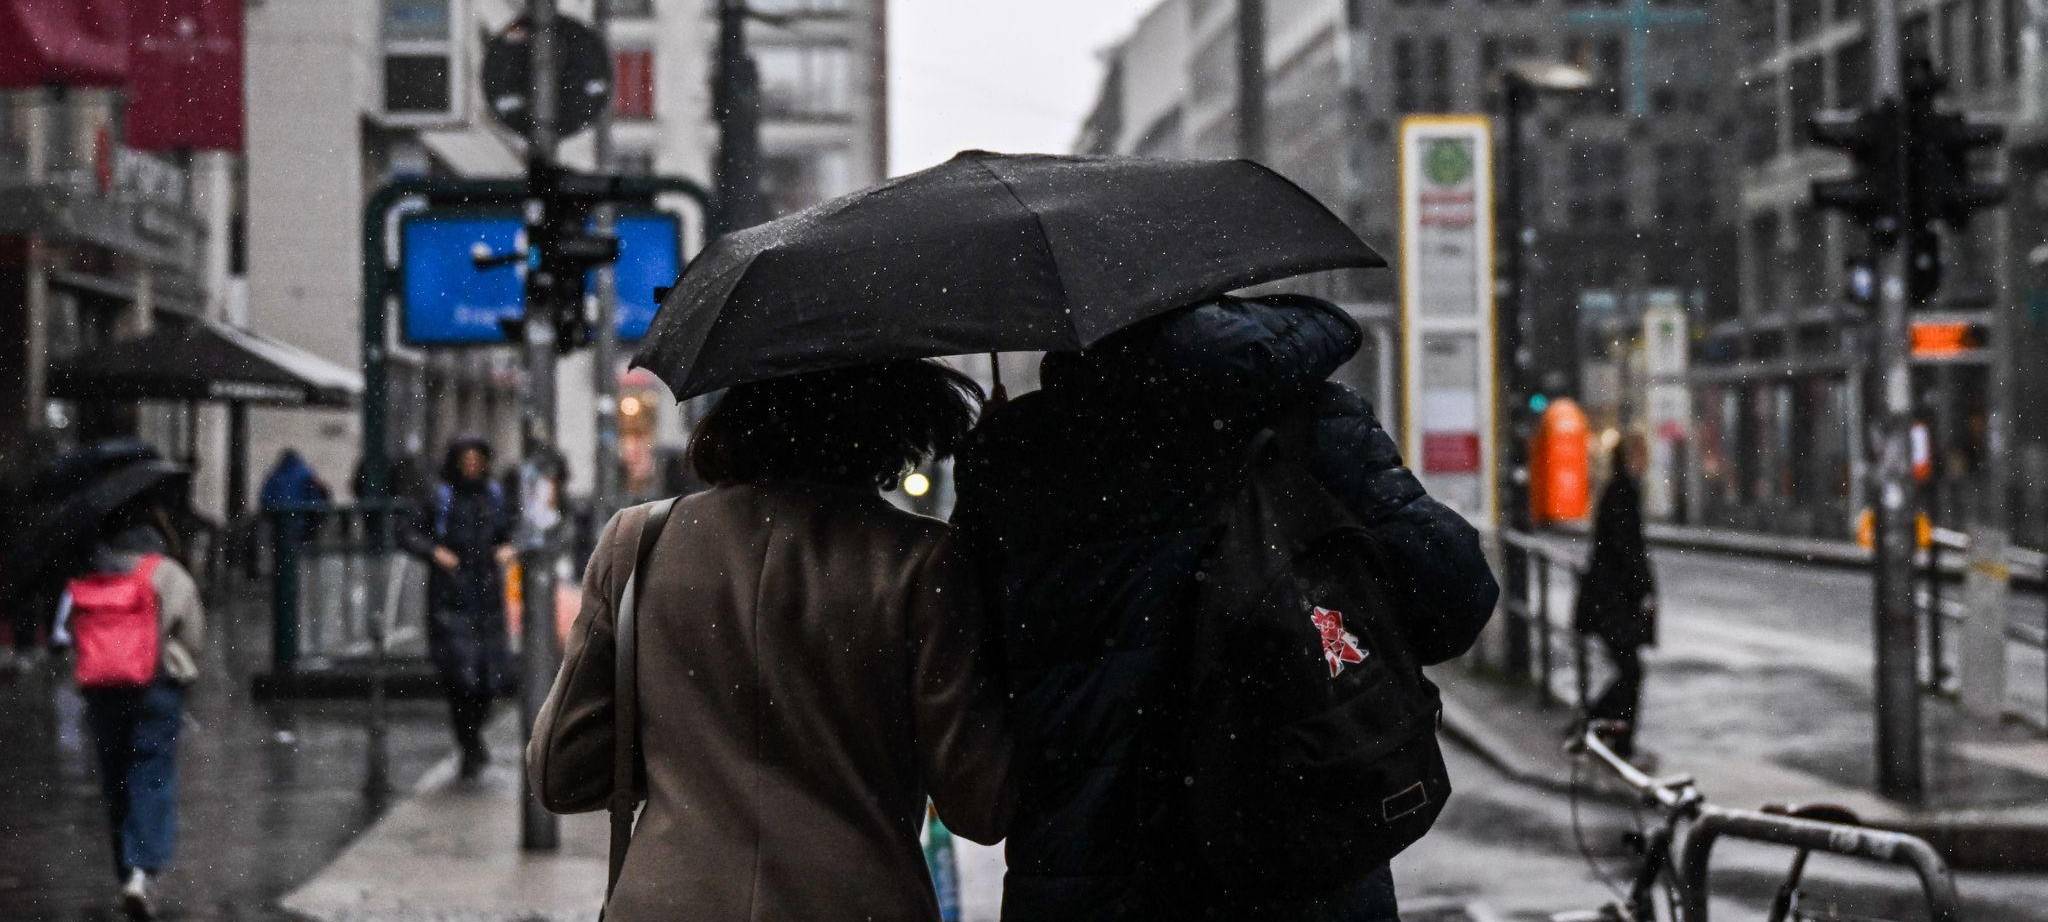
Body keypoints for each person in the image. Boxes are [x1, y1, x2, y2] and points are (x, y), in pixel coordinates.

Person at [952, 295, 1500, 922]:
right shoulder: (1305, 419)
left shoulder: (1017, 459)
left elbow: (975, 679)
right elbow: (1455, 600)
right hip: (1299, 863)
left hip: (1091, 883)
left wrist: (999, 466)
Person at [529, 360, 1012, 922]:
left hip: (671, 900)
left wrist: (690, 758)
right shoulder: (920, 561)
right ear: (888, 422)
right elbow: (982, 802)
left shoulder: (638, 543)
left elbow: (561, 773)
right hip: (856, 902)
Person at [54, 497, 205, 921]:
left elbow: (70, 630)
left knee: (115, 778)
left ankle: (125, 872)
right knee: (151, 774)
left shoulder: (91, 570)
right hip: (156, 688)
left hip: (103, 689)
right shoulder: (167, 573)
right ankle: (142, 873)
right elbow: (192, 633)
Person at [401, 438, 515, 779]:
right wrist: (435, 552)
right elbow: (408, 532)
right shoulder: (440, 498)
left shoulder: (493, 497)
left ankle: (472, 738)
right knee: (460, 678)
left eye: (476, 460)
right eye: (466, 460)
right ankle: (469, 745)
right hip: (450, 600)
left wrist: (508, 547)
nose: (471, 466)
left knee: (488, 680)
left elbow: (511, 531)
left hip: (487, 601)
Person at [1575, 434, 1658, 760]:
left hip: (1609, 600)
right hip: (1615, 602)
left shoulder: (1617, 490)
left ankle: (1601, 728)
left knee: (1629, 670)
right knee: (1631, 671)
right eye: (1641, 453)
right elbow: (1628, 550)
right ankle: (1608, 734)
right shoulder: (1624, 492)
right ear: (1630, 456)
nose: (1645, 459)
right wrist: (1644, 590)